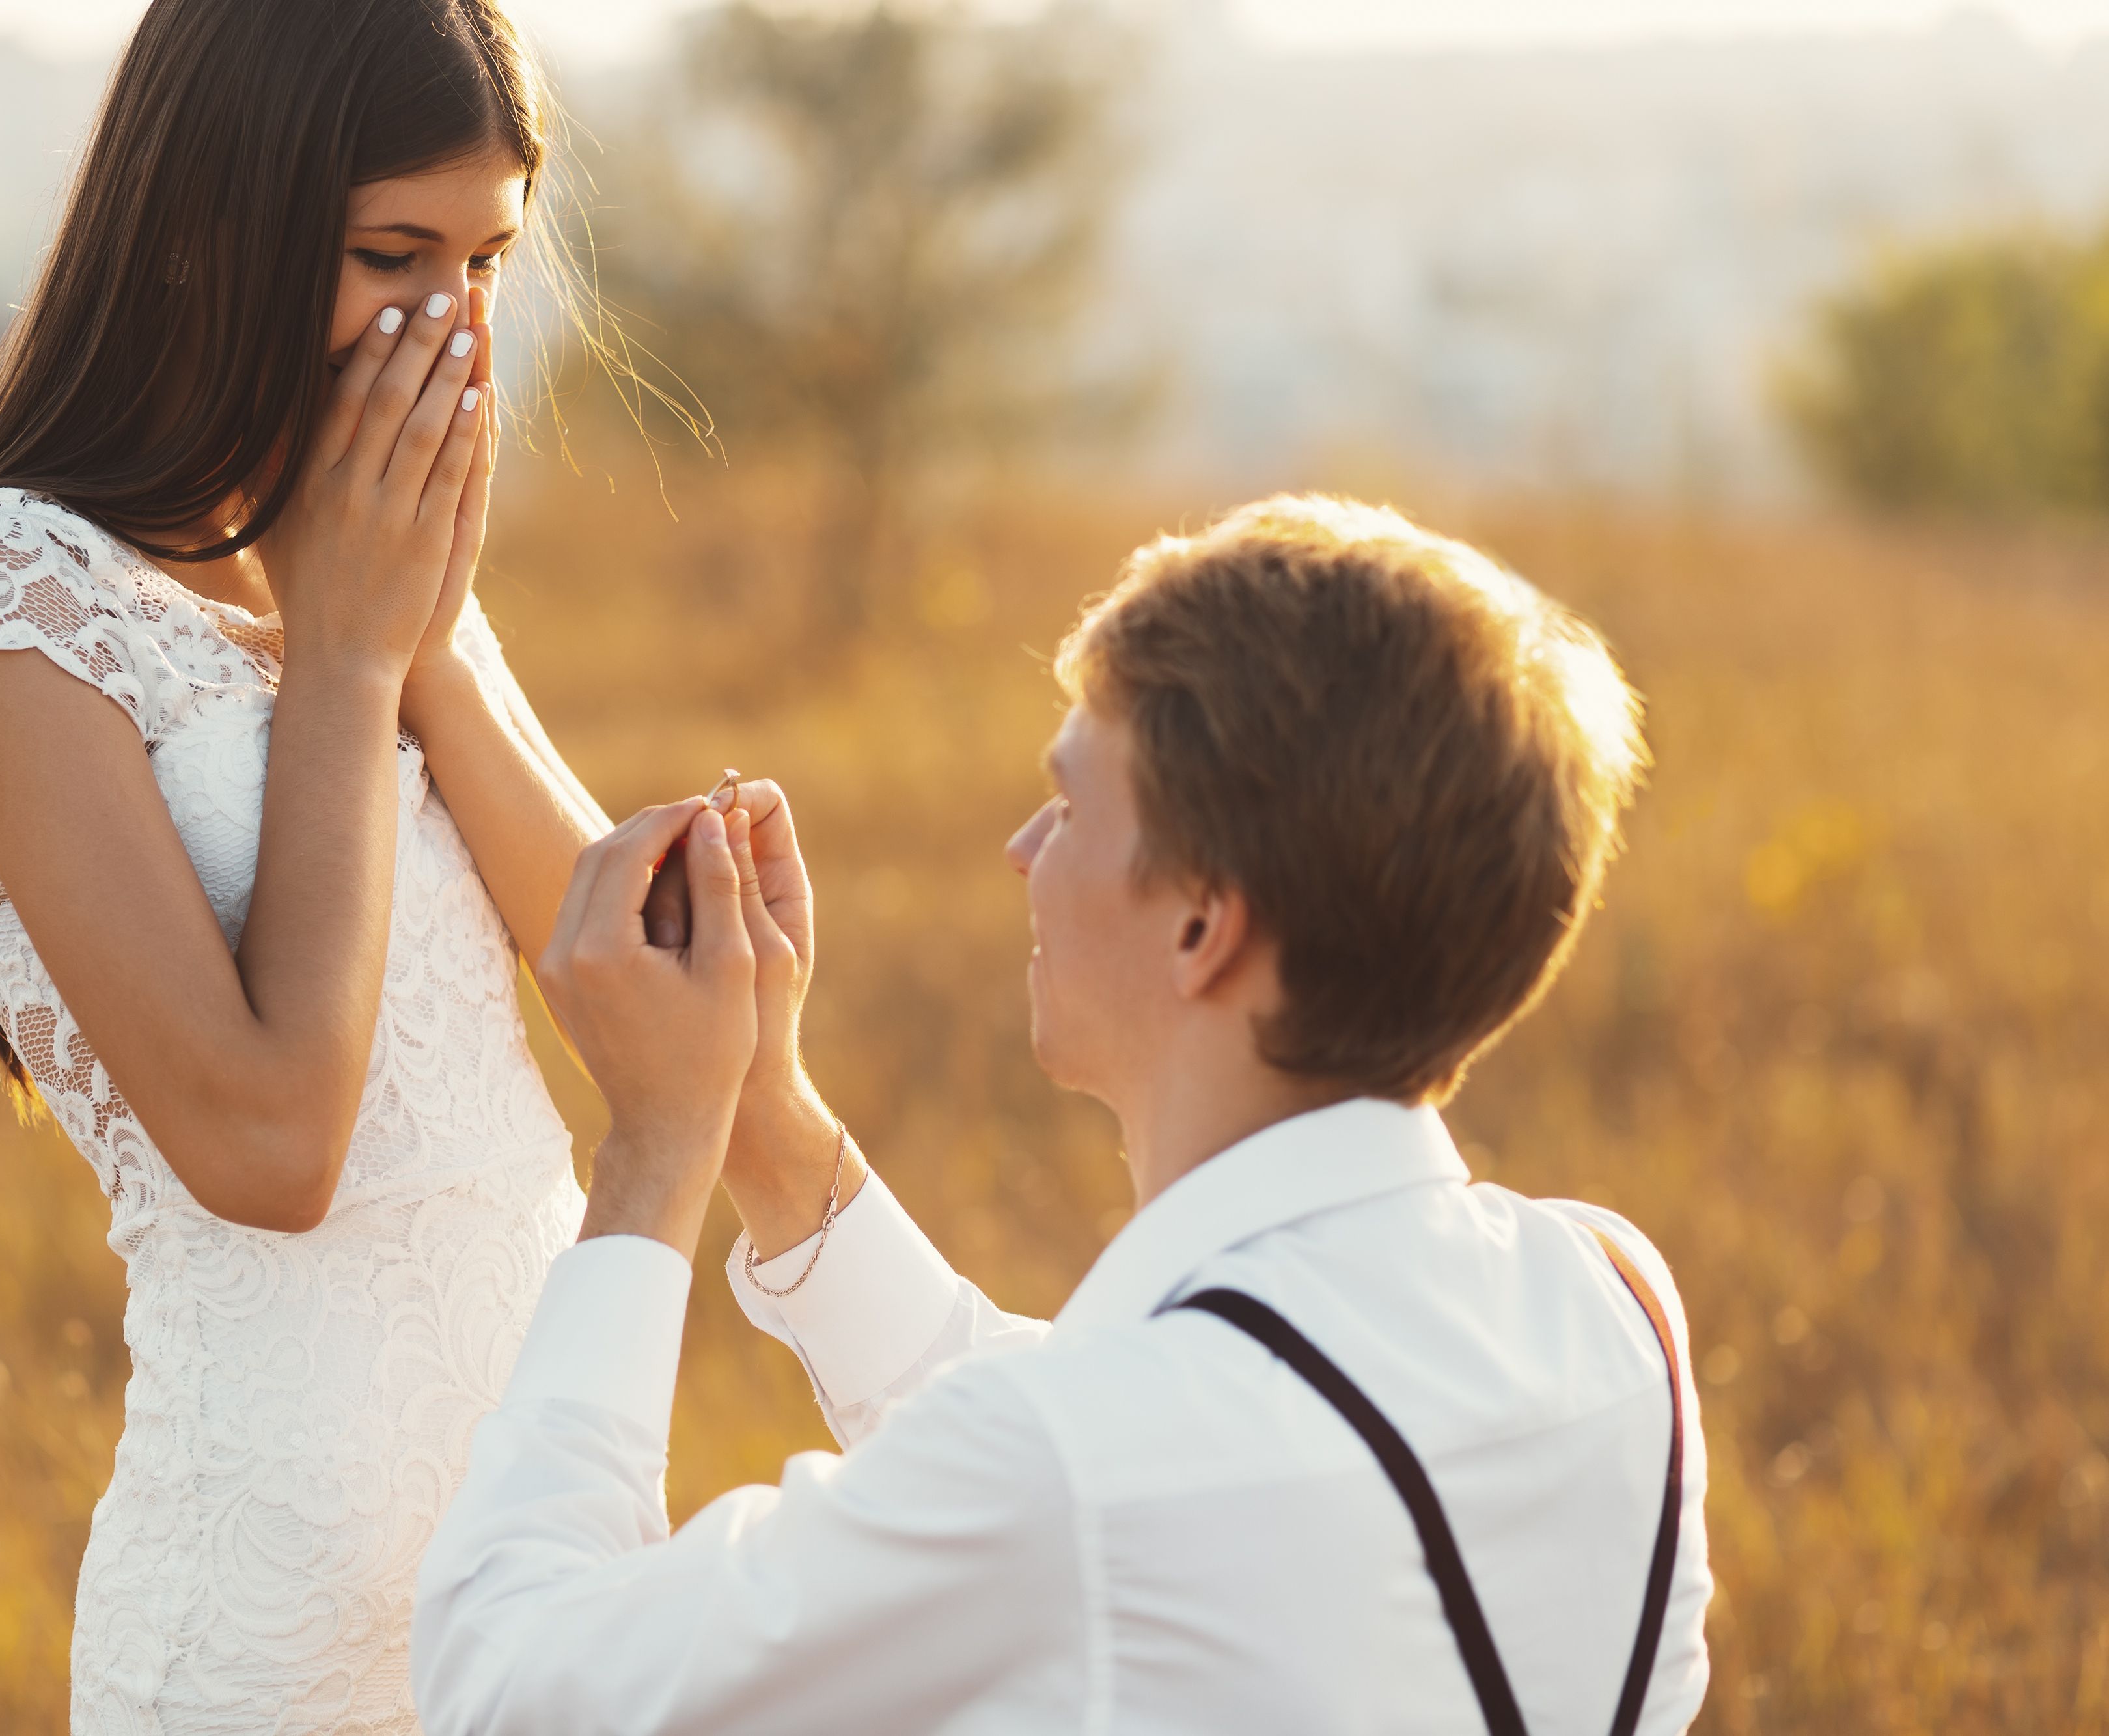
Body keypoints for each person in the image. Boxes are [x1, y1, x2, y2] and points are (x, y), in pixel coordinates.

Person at [413, 496, 1713, 1733]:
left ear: (1201, 922)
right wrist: (762, 1108)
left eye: (1073, 802)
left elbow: (513, 1682)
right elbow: (1104, 1457)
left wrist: (653, 1146)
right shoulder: (1612, 1304)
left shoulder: (1079, 1469)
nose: (1023, 849)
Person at [0, 2, 619, 1727]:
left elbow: (632, 999)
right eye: (389, 253)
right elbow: (268, 1143)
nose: (448, 327)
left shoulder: (353, 560)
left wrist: (408, 631)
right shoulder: (3, 597)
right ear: (211, 228)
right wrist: (343, 664)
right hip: (263, 1632)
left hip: (546, 1597)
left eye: (489, 261)